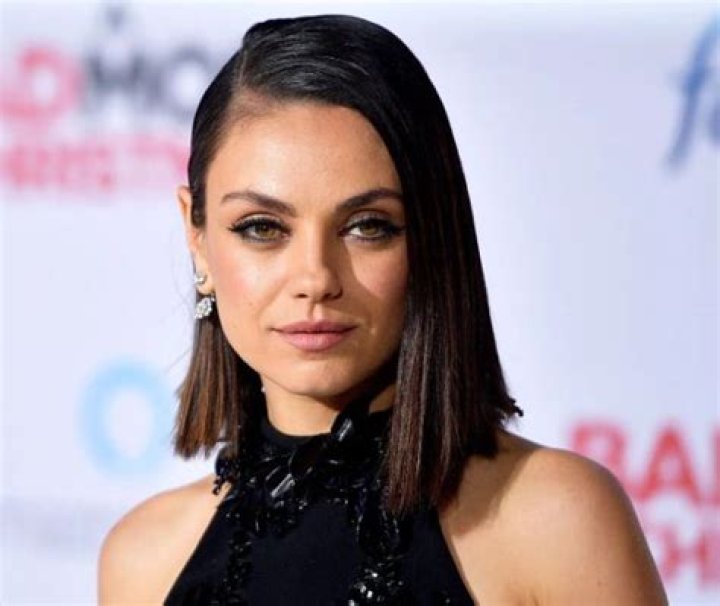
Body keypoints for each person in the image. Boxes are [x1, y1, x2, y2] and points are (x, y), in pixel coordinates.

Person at [98, 14, 667, 605]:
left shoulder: (555, 520)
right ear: (197, 239)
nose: (316, 278)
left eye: (368, 226)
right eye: (262, 227)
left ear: (431, 235)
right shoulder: (143, 561)